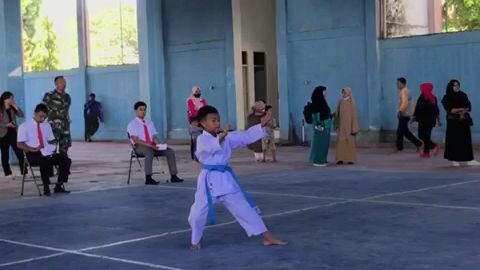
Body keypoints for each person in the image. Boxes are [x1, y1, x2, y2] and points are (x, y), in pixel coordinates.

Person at [187, 105, 287, 249]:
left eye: (218, 120)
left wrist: (262, 125)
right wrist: (221, 137)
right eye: (213, 120)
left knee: (245, 209)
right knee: (196, 215)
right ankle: (195, 241)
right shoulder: (202, 139)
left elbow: (245, 136)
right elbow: (207, 149)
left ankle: (266, 237)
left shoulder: (227, 137)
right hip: (208, 182)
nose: (217, 123)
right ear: (202, 123)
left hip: (225, 181)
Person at [17, 104, 71, 196]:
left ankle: (59, 185)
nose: (42, 119)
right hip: (33, 152)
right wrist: (31, 149)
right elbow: (19, 144)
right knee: (44, 161)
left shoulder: (47, 126)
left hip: (47, 151)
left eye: (44, 117)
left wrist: (57, 146)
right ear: (35, 113)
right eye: (40, 116)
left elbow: (51, 140)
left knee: (66, 160)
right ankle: (46, 187)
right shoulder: (24, 126)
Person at [127, 101, 184, 184]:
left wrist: (158, 145)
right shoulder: (132, 124)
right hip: (140, 146)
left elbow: (154, 137)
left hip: (151, 145)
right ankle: (148, 177)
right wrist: (150, 146)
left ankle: (174, 176)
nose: (143, 112)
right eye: (141, 109)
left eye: (144, 110)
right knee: (149, 151)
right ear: (135, 111)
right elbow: (136, 140)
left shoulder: (149, 123)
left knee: (170, 151)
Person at [441, 80, 480, 167]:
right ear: (451, 86)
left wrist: (461, 111)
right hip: (453, 122)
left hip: (463, 121)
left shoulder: (463, 95)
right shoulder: (447, 97)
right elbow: (450, 110)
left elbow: (468, 107)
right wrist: (461, 110)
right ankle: (454, 159)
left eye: (458, 85)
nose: (457, 86)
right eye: (454, 85)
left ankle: (469, 159)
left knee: (466, 140)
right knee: (454, 141)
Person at [42, 76, 72, 154]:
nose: (64, 84)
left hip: (65, 126)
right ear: (56, 84)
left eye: (64, 82)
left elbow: (66, 111)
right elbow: (42, 110)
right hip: (53, 126)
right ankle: (51, 163)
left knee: (65, 146)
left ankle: (63, 163)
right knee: (52, 146)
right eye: (61, 82)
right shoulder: (49, 95)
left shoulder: (67, 97)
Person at [0, 91, 25, 177]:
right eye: (10, 98)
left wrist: (15, 106)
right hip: (3, 133)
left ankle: (24, 170)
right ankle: (7, 172)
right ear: (5, 99)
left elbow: (22, 115)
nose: (12, 99)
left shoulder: (13, 108)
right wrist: (6, 125)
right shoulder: (0, 109)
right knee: (5, 154)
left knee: (19, 151)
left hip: (13, 132)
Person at [413, 83, 441, 158]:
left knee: (422, 135)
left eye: (421, 88)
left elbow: (417, 107)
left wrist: (414, 117)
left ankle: (434, 146)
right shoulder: (433, 97)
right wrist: (438, 120)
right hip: (430, 120)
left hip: (423, 120)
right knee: (426, 136)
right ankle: (426, 153)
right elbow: (436, 110)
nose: (420, 89)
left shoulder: (422, 97)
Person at [395, 77, 422, 152]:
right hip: (406, 113)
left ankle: (418, 143)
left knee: (402, 131)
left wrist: (400, 111)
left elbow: (405, 102)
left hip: (404, 114)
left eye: (398, 83)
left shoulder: (403, 91)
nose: (397, 85)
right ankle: (399, 147)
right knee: (402, 131)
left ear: (403, 83)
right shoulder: (406, 91)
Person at [334, 87, 359, 165]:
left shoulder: (352, 102)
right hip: (342, 127)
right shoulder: (340, 102)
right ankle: (340, 158)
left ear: (348, 93)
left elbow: (354, 116)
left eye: (345, 93)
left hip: (349, 127)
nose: (343, 94)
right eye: (343, 93)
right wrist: (336, 124)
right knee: (341, 143)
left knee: (349, 143)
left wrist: (354, 128)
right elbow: (337, 114)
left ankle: (350, 159)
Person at [309, 86, 332, 167]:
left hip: (326, 126)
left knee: (324, 145)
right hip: (320, 127)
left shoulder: (323, 102)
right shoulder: (316, 103)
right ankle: (317, 160)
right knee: (319, 144)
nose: (325, 93)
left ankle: (323, 159)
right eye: (324, 92)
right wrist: (318, 124)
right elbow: (316, 115)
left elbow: (326, 113)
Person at [186, 86, 207, 161]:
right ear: (192, 92)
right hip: (194, 123)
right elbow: (192, 112)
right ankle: (195, 157)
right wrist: (200, 113)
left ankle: (203, 156)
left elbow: (206, 110)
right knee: (195, 141)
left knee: (203, 140)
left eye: (198, 91)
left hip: (203, 123)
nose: (197, 93)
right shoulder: (190, 100)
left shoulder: (203, 100)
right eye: (196, 91)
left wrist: (199, 111)